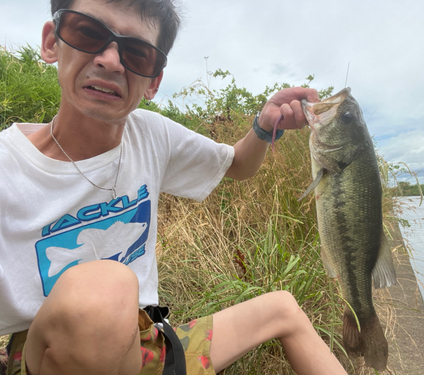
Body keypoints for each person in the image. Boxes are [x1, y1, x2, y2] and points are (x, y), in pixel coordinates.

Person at [0, 1, 348, 374]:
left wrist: (264, 125)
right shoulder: (8, 167)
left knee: (283, 308)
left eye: (137, 53)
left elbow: (238, 164)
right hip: (50, 355)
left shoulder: (152, 134)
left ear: (153, 82)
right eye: (88, 33)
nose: (111, 61)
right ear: (52, 42)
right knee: (104, 291)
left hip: (150, 342)